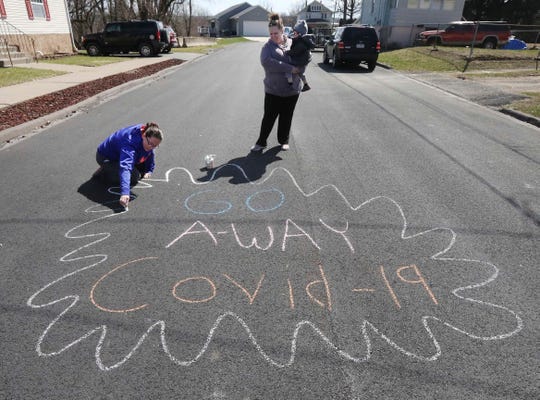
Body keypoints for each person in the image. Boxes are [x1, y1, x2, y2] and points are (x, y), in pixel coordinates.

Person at [251, 13, 302, 153]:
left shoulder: (292, 42)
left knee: (287, 116)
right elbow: (267, 63)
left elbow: (303, 56)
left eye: (276, 33)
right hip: (274, 90)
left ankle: (283, 140)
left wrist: (300, 67)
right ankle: (261, 142)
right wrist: (290, 68)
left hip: (292, 90)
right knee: (269, 117)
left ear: (282, 30)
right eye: (271, 33)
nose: (273, 36)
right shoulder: (267, 48)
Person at [93, 122, 163, 208]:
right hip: (106, 157)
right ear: (144, 136)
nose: (152, 147)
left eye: (155, 146)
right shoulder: (130, 143)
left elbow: (150, 153)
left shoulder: (148, 133)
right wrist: (125, 193)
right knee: (134, 176)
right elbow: (125, 167)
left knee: (142, 168)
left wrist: (149, 169)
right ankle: (105, 170)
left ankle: (112, 167)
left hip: (120, 153)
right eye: (151, 144)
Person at [285, 20, 314, 92]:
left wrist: (286, 52)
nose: (293, 34)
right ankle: (306, 85)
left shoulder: (301, 44)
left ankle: (290, 85)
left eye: (295, 33)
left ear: (300, 34)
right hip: (302, 61)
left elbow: (294, 52)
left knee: (288, 69)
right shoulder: (301, 40)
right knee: (301, 73)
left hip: (300, 61)